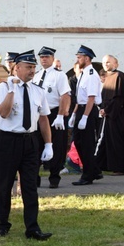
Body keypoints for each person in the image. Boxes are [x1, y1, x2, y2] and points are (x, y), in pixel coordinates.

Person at [0, 50, 54, 239]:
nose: (32, 70)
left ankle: (32, 227)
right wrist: (12, 90)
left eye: (34, 67)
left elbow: (43, 119)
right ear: (16, 68)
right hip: (8, 140)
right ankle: (2, 223)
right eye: (28, 67)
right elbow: (3, 113)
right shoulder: (4, 87)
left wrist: (48, 144)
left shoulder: (38, 90)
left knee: (30, 185)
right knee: (4, 184)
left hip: (29, 140)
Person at [33, 46, 71, 189]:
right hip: (38, 114)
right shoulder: (36, 75)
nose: (44, 59)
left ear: (52, 58)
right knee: (35, 146)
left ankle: (54, 177)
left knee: (57, 146)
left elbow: (65, 96)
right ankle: (34, 178)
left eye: (47, 57)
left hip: (54, 114)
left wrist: (61, 115)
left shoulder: (59, 75)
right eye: (42, 57)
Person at [70, 45, 103, 186]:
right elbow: (80, 97)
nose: (78, 60)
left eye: (79, 57)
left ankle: (88, 175)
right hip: (81, 109)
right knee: (77, 142)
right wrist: (74, 114)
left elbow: (91, 98)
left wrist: (84, 117)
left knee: (86, 144)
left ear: (87, 58)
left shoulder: (91, 75)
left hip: (88, 111)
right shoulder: (83, 73)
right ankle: (94, 170)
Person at [97, 54, 124, 175]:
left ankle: (120, 167)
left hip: (115, 115)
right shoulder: (107, 77)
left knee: (116, 141)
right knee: (105, 140)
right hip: (107, 114)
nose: (105, 65)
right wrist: (102, 108)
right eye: (103, 63)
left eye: (108, 62)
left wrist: (107, 110)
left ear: (115, 64)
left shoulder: (118, 76)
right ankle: (101, 165)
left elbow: (118, 98)